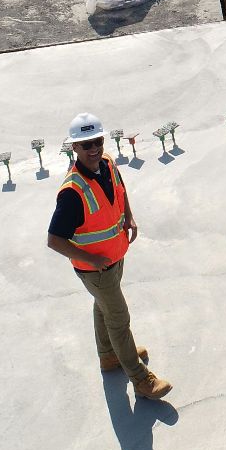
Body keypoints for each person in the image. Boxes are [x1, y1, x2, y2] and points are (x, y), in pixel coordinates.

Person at [46, 112, 172, 400]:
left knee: (103, 307)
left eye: (97, 142)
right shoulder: (72, 192)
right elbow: (54, 240)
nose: (94, 149)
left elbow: (120, 189)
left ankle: (109, 356)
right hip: (96, 269)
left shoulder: (108, 163)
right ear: (74, 148)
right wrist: (92, 261)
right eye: (86, 145)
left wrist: (129, 215)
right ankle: (141, 380)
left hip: (114, 257)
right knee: (119, 318)